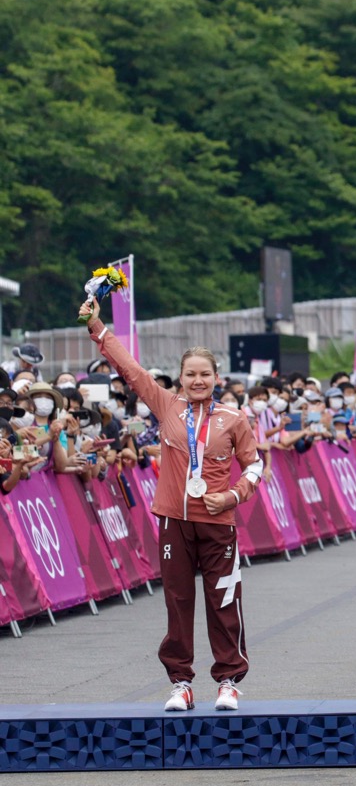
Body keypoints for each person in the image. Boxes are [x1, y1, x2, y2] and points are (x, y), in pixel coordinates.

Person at [79, 295, 263, 712]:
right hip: (173, 522)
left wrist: (233, 495)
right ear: (180, 378)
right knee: (178, 601)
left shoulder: (234, 419)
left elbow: (255, 466)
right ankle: (180, 683)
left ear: (217, 377)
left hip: (218, 522)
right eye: (190, 374)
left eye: (205, 374)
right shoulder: (166, 405)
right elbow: (131, 369)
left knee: (224, 598)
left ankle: (229, 680)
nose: (197, 380)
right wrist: (97, 328)